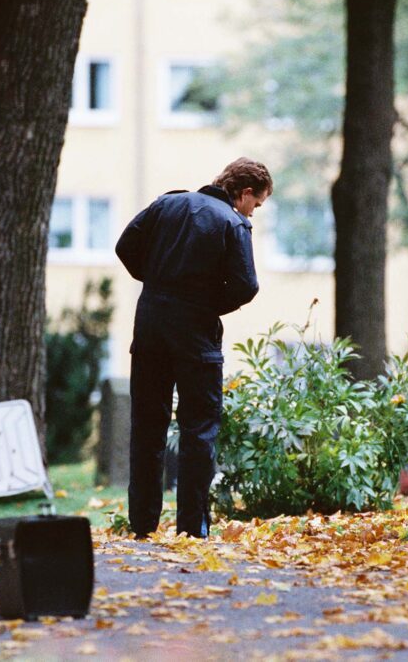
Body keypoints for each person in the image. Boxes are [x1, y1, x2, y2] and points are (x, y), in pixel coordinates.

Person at [115, 157, 272, 538]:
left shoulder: (166, 204)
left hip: (150, 326)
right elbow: (246, 285)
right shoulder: (233, 223)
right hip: (195, 337)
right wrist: (207, 302)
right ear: (244, 192)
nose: (255, 211)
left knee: (147, 426)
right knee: (199, 429)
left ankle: (143, 525)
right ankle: (192, 527)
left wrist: (156, 282)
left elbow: (126, 247)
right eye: (257, 203)